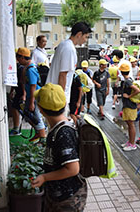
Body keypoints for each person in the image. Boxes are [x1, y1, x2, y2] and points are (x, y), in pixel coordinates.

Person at [31, 83, 87, 211]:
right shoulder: (58, 126)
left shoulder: (63, 133)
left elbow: (73, 169)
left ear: (41, 109)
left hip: (67, 197)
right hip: (57, 193)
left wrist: (45, 177)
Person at [46, 22, 91, 107]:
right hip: (57, 97)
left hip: (52, 92)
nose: (86, 40)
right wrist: (61, 98)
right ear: (79, 34)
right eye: (86, 37)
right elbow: (63, 74)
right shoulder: (69, 49)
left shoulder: (64, 44)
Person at [17, 47, 46, 142]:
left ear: (22, 57)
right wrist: (25, 95)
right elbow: (25, 83)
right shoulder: (26, 67)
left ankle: (42, 138)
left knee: (36, 116)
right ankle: (39, 133)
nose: (17, 60)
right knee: (28, 115)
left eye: (18, 57)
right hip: (31, 95)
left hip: (35, 96)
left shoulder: (30, 69)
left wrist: (31, 102)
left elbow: (33, 85)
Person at [120, 63, 140, 151]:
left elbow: (137, 90)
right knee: (129, 124)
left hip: (130, 105)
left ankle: (132, 144)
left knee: (131, 125)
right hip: (128, 105)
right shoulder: (129, 79)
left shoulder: (128, 81)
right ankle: (130, 141)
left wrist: (129, 96)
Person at [9, 54, 25, 136]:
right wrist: (12, 91)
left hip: (22, 93)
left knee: (26, 113)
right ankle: (16, 128)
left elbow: (23, 82)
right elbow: (13, 80)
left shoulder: (21, 68)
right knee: (15, 108)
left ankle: (40, 129)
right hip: (18, 92)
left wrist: (24, 94)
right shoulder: (15, 67)